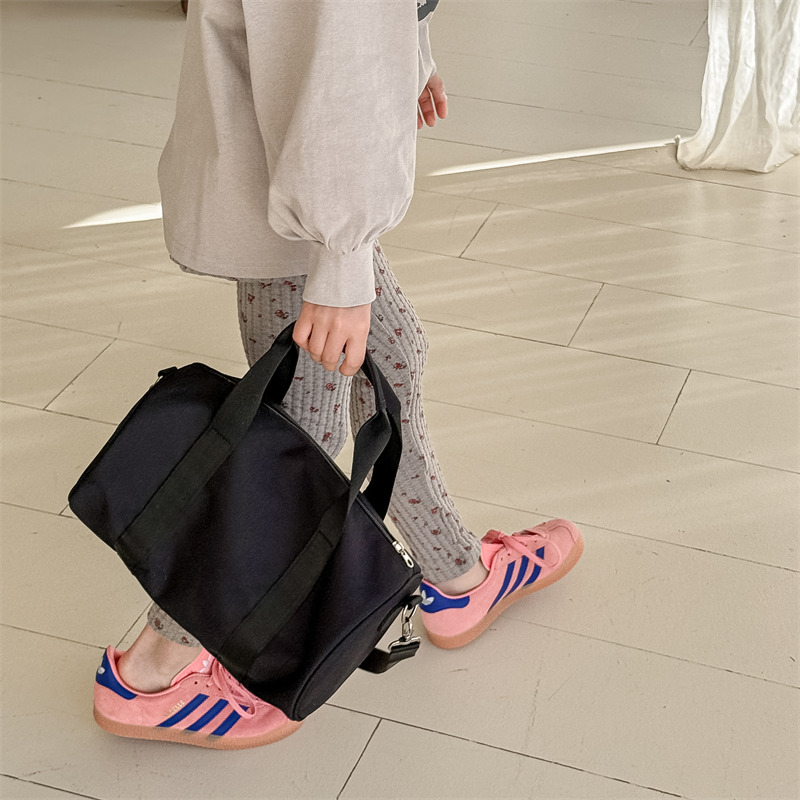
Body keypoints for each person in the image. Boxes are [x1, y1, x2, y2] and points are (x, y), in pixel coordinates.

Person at [92, 0, 584, 750]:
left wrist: (407, 51)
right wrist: (341, 257)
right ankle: (154, 669)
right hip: (296, 179)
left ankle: (456, 575)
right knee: (300, 431)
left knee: (392, 355)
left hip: (282, 152)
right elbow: (337, 55)